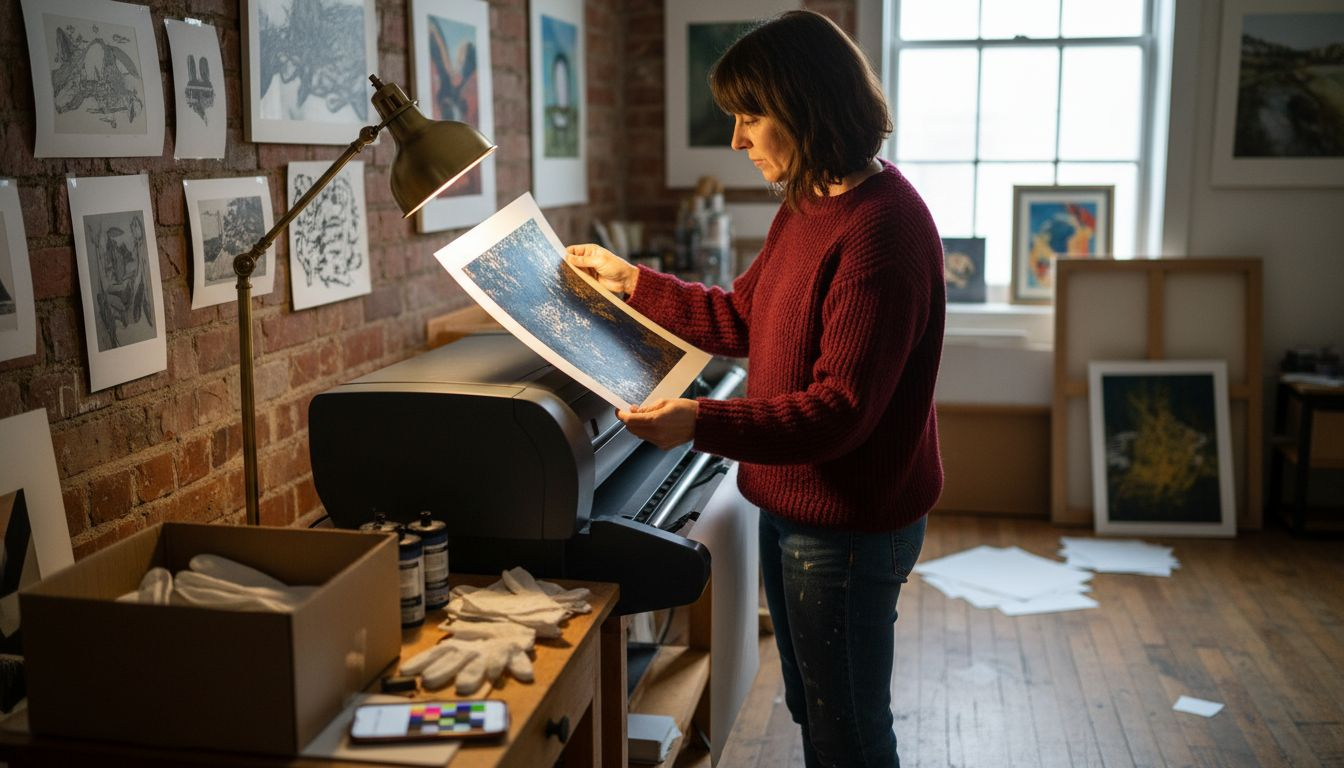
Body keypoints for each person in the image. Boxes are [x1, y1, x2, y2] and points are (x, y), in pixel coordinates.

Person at [566, 10, 944, 767]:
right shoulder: (812, 202)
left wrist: (698, 421)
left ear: (808, 109)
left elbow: (838, 412)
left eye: (750, 117)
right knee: (818, 708)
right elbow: (744, 316)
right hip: (799, 512)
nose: (736, 140)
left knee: (850, 734)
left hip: (847, 528)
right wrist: (633, 282)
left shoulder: (881, 233)